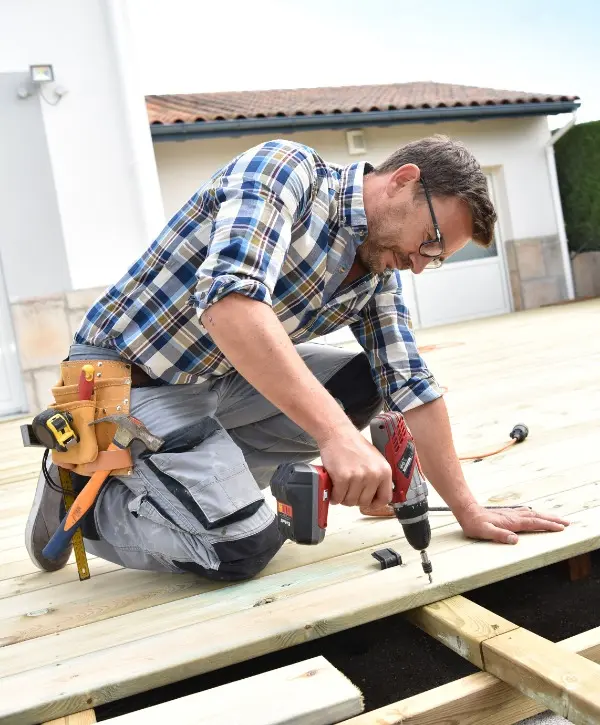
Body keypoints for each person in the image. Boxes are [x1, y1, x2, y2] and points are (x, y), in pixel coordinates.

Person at [25, 135, 569, 581]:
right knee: (242, 547)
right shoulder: (288, 172)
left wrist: (468, 510)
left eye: (438, 259)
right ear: (404, 180)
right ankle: (83, 498)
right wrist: (339, 438)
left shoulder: (375, 273)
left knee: (367, 385)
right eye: (430, 242)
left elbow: (412, 384)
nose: (422, 265)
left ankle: (203, 479)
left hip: (218, 378)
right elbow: (229, 307)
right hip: (130, 379)